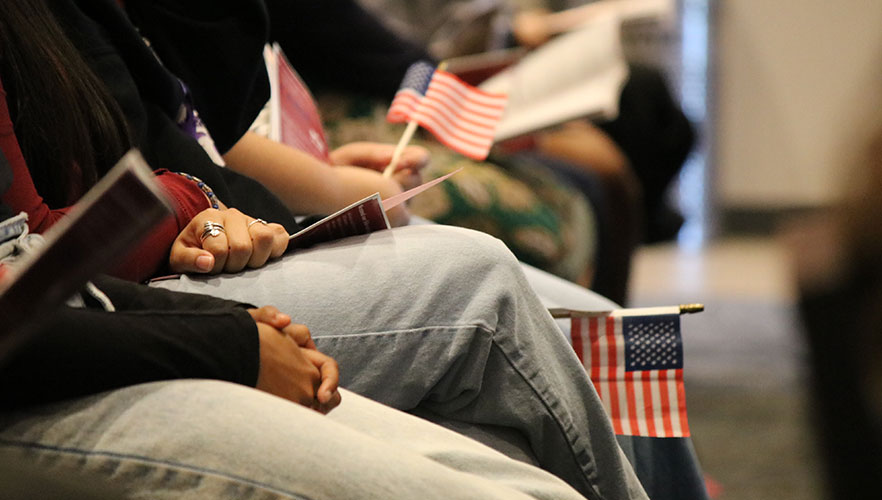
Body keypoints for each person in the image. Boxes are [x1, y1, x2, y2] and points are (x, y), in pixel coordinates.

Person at [0, 0, 647, 498]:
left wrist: (237, 303)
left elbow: (192, 137)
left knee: (537, 455)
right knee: (487, 277)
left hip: (125, 298)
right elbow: (59, 245)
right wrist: (235, 337)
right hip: (76, 350)